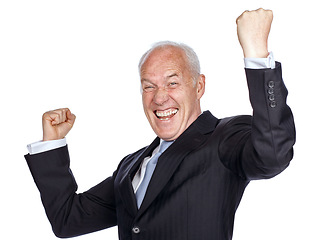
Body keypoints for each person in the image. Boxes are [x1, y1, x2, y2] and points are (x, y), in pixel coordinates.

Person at [25, 8, 295, 240]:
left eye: (172, 83)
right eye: (149, 86)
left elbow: (273, 154)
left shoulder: (223, 139)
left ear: (198, 86)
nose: (160, 97)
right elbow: (68, 220)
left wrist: (257, 53)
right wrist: (52, 143)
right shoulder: (131, 166)